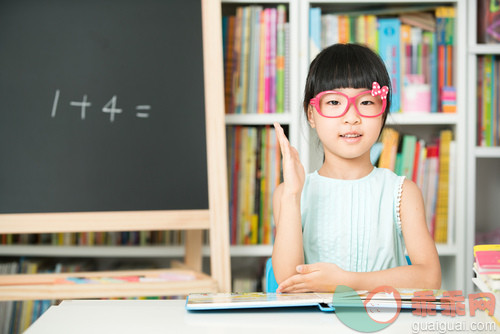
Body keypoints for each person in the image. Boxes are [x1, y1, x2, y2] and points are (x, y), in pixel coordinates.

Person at [272, 43, 441, 293]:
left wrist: (346, 281)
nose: (351, 117)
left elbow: (430, 279)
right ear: (311, 114)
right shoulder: (291, 193)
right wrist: (292, 195)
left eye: (366, 102)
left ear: (383, 112)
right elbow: (287, 280)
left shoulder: (402, 193)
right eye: (333, 102)